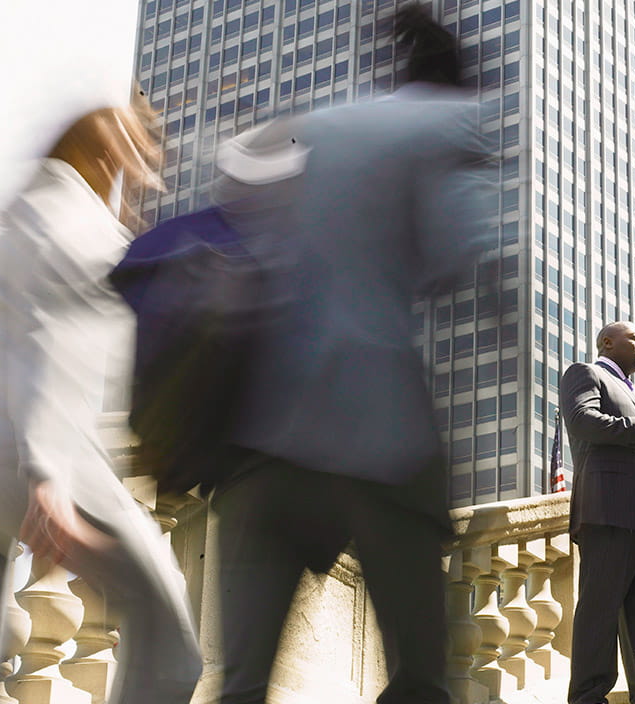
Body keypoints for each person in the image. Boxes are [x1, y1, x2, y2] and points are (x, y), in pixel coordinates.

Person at [199, 5, 496, 703]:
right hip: (378, 431)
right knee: (422, 673)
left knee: (239, 680)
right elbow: (455, 257)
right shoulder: (443, 127)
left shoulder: (312, 126)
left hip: (258, 438)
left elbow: (233, 210)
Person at [0, 103, 201, 704]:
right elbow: (50, 344)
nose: (150, 166)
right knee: (170, 638)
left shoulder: (12, 231)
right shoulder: (79, 228)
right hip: (33, 460)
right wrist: (47, 476)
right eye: (142, 150)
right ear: (109, 150)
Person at [560, 321, 635, 704]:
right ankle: (588, 697)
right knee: (599, 612)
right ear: (608, 343)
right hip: (609, 515)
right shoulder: (586, 373)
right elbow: (582, 422)